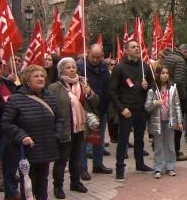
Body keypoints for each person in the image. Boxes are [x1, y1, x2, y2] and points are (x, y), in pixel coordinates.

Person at [1, 65, 64, 200]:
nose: (40, 78)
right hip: (26, 150)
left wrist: (56, 136)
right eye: (36, 76)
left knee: (43, 183)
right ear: (27, 80)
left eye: (42, 76)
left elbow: (60, 119)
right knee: (27, 184)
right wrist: (22, 136)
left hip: (46, 148)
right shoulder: (16, 99)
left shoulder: (50, 97)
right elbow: (6, 123)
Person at [49, 57, 98, 199]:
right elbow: (51, 109)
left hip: (80, 128)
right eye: (68, 67)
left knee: (76, 158)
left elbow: (95, 103)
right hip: (65, 128)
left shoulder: (84, 83)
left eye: (73, 67)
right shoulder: (55, 87)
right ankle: (58, 186)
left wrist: (90, 94)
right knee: (62, 159)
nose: (71, 69)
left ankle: (75, 183)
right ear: (61, 71)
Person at [110, 40, 154, 181]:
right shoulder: (119, 68)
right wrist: (122, 109)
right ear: (126, 50)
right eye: (133, 47)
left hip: (141, 110)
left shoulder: (145, 67)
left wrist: (147, 86)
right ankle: (119, 168)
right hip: (127, 110)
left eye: (138, 47)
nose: (136, 49)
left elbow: (153, 86)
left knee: (140, 139)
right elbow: (112, 91)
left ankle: (140, 163)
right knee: (123, 141)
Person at [77, 44, 113, 178]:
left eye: (99, 57)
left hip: (101, 107)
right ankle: (82, 168)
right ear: (88, 53)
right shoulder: (80, 66)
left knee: (99, 138)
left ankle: (98, 164)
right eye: (93, 57)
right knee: (84, 140)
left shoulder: (104, 67)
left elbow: (108, 86)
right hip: (85, 108)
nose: (96, 60)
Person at [145, 65, 184, 179]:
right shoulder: (153, 89)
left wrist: (180, 121)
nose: (165, 75)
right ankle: (158, 168)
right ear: (157, 74)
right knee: (158, 146)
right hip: (157, 122)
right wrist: (156, 103)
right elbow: (147, 106)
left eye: (167, 73)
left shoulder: (173, 88)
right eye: (162, 73)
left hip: (170, 121)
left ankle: (170, 167)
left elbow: (177, 105)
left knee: (170, 145)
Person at [0, 55, 19, 200]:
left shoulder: (8, 84)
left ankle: (11, 194)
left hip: (11, 133)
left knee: (10, 168)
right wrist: (7, 107)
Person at [163, 44, 187, 161]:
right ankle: (174, 152)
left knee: (169, 125)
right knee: (178, 125)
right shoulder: (180, 61)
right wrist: (183, 96)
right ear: (185, 51)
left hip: (166, 94)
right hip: (176, 97)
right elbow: (179, 81)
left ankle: (169, 150)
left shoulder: (168, 57)